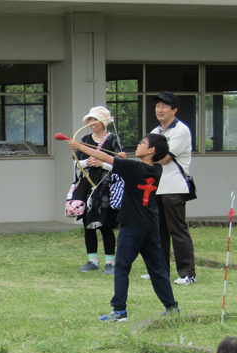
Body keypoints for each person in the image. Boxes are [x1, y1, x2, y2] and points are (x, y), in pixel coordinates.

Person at [67, 134, 180, 321]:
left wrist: (77, 145)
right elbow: (136, 170)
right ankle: (171, 307)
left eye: (142, 143)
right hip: (150, 226)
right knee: (157, 268)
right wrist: (125, 163)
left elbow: (102, 157)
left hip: (132, 227)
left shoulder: (134, 167)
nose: (138, 144)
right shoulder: (157, 169)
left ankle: (119, 311)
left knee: (121, 268)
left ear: (151, 150)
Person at [150, 91, 197, 285]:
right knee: (158, 231)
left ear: (174, 110)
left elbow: (165, 157)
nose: (159, 109)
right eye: (157, 106)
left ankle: (187, 273)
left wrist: (146, 157)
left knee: (177, 230)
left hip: (174, 187)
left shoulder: (181, 130)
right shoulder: (155, 131)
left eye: (164, 106)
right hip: (157, 187)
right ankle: (161, 270)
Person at [73, 106, 125, 276]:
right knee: (88, 225)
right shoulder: (85, 139)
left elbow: (122, 166)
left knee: (106, 225)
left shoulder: (113, 140)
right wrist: (88, 162)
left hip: (107, 188)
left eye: (95, 120)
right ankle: (92, 261)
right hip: (89, 187)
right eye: (90, 120)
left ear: (104, 121)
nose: (92, 123)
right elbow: (76, 163)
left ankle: (110, 263)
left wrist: (102, 164)